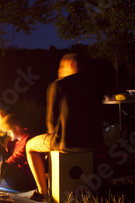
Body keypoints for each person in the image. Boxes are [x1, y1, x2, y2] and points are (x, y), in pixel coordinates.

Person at [25, 53, 102, 195]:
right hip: (94, 142)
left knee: (29, 145)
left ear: (73, 66)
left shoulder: (58, 84)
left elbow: (51, 121)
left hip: (65, 143)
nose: (59, 70)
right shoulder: (95, 85)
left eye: (62, 66)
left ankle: (42, 191)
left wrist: (51, 147)